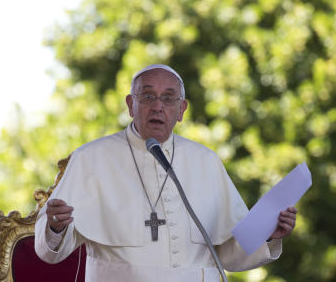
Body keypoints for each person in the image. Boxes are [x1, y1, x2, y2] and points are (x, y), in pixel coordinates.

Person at [35, 64, 297, 281]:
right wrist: (56, 227)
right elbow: (50, 253)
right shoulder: (90, 159)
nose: (158, 106)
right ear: (130, 104)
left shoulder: (206, 161)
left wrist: (269, 233)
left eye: (168, 98)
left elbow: (228, 255)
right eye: (148, 97)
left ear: (181, 110)